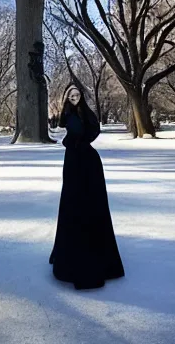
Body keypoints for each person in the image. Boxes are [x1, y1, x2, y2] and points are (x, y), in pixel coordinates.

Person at [49, 84, 124, 289]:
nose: (74, 97)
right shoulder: (67, 114)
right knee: (73, 205)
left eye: (77, 95)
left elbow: (92, 129)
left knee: (93, 206)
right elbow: (69, 127)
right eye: (71, 95)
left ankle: (99, 257)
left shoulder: (86, 112)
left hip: (89, 162)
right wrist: (76, 138)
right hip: (74, 162)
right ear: (66, 97)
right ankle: (72, 255)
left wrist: (82, 139)